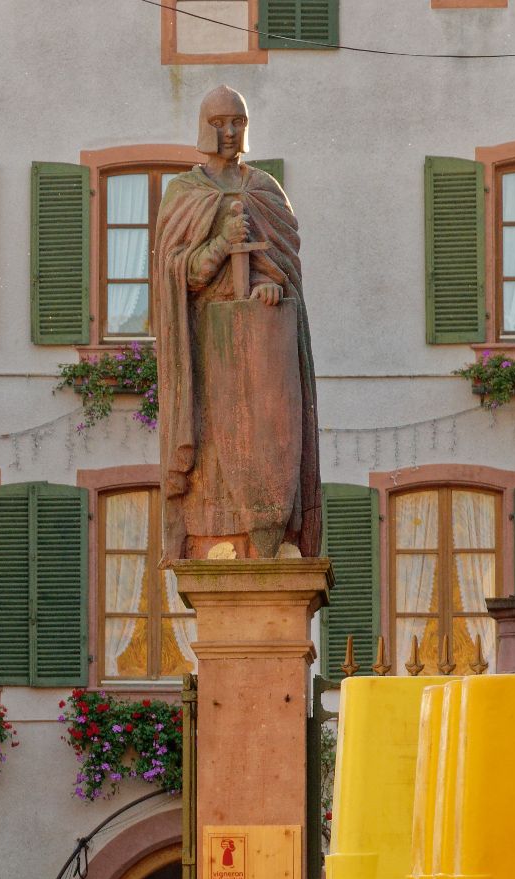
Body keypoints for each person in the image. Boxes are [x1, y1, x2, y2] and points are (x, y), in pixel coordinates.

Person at [151, 84, 321, 561]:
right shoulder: (184, 192)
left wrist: (271, 290)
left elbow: (285, 270)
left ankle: (270, 533)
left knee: (263, 434)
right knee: (213, 448)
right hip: (206, 345)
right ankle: (214, 538)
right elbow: (178, 274)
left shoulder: (266, 191)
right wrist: (222, 243)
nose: (229, 132)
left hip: (259, 349)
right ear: (204, 129)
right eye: (220, 123)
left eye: (237, 122)